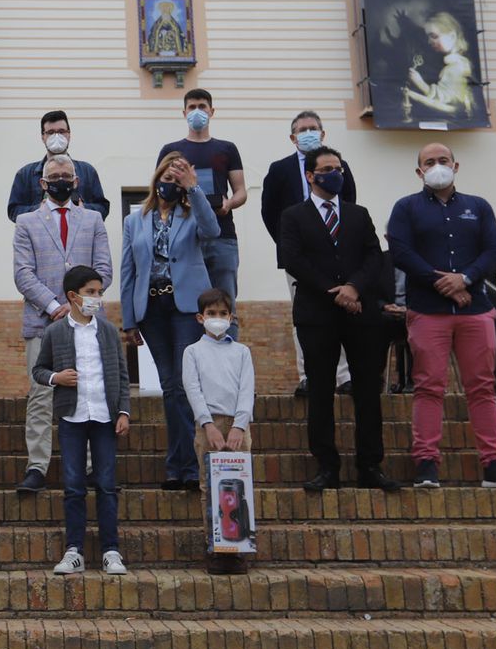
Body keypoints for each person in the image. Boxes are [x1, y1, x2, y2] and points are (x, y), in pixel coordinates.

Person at [387, 143, 496, 489]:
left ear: (456, 165)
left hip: (474, 310)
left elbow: (495, 250)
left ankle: (494, 463)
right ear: (419, 172)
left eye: (442, 160)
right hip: (428, 312)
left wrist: (464, 279)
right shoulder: (406, 208)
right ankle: (426, 463)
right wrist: (442, 282)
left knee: (483, 388)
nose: (437, 166)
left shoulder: (478, 207)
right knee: (429, 387)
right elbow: (400, 251)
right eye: (428, 162)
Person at [280, 146, 400, 493]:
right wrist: (335, 291)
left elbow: (373, 256)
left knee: (367, 390)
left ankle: (370, 465)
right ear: (310, 175)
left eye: (339, 168)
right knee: (320, 391)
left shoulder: (358, 214)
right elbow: (293, 259)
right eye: (327, 168)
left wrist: (354, 288)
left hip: (361, 313)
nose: (334, 173)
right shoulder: (293, 216)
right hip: (316, 314)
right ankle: (326, 466)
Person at [12, 154, 112, 494]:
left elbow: (104, 270)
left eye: (66, 174)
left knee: (86, 391)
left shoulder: (94, 219)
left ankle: (87, 466)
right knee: (40, 395)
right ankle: (37, 465)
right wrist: (57, 307)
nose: (60, 179)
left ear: (76, 180)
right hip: (42, 321)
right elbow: (23, 274)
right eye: (54, 175)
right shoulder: (26, 222)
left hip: (86, 322)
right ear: (42, 183)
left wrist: (79, 308)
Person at [121, 152, 220, 491]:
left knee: (181, 386)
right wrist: (129, 319)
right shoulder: (135, 220)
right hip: (151, 309)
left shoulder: (192, 214)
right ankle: (179, 465)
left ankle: (185, 467)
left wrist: (194, 189)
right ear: (156, 179)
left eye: (177, 181)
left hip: (184, 307)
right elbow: (128, 270)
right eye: (167, 178)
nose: (170, 184)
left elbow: (213, 230)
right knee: (169, 388)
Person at [33, 265, 130, 576]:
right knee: (74, 485)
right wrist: (56, 378)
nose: (97, 298)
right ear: (73, 296)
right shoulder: (55, 331)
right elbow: (38, 370)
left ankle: (111, 551)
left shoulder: (109, 331)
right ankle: (74, 550)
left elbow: (122, 375)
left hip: (104, 417)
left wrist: (124, 412)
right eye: (91, 293)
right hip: (72, 417)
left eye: (99, 293)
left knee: (106, 485)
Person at [259, 110, 357, 399]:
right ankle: (309, 376)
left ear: (323, 134)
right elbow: (269, 212)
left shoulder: (340, 167)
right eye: (303, 129)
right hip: (298, 257)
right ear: (293, 137)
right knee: (302, 316)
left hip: (337, 253)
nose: (309, 132)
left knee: (339, 312)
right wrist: (288, 246)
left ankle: (343, 377)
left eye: (314, 128)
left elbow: (350, 204)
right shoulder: (279, 169)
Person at [157, 89, 246, 335]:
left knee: (226, 303)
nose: (198, 111)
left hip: (222, 236)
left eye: (203, 106)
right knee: (187, 304)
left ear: (212, 111)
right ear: (184, 112)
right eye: (193, 106)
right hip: (184, 237)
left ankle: (229, 357)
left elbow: (241, 191)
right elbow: (160, 191)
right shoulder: (171, 150)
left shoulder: (227, 148)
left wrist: (228, 204)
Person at [181, 288, 256, 575]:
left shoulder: (241, 352)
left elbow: (247, 390)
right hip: (208, 427)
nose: (217, 318)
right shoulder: (193, 352)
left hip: (238, 427)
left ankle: (238, 548)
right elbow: (193, 389)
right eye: (211, 314)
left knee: (239, 486)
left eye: (222, 314)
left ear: (231, 317)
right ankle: (215, 546)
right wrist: (207, 424)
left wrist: (239, 425)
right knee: (209, 487)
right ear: (200, 318)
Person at [6, 110, 111, 221]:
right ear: (43, 137)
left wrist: (82, 209)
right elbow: (13, 211)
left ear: (69, 134)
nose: (56, 136)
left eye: (61, 131)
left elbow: (103, 208)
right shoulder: (25, 174)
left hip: (79, 235)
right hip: (40, 236)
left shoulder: (87, 171)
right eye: (50, 132)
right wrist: (39, 209)